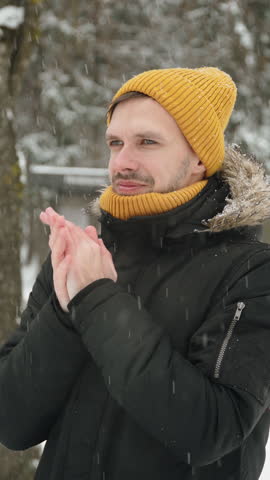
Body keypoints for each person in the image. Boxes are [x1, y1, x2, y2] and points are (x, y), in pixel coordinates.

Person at [1, 67, 270, 480]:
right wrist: (64, 311)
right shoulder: (83, 256)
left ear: (199, 156)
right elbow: (13, 421)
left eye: (147, 142)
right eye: (115, 143)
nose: (122, 162)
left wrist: (95, 299)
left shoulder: (252, 270)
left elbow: (210, 430)